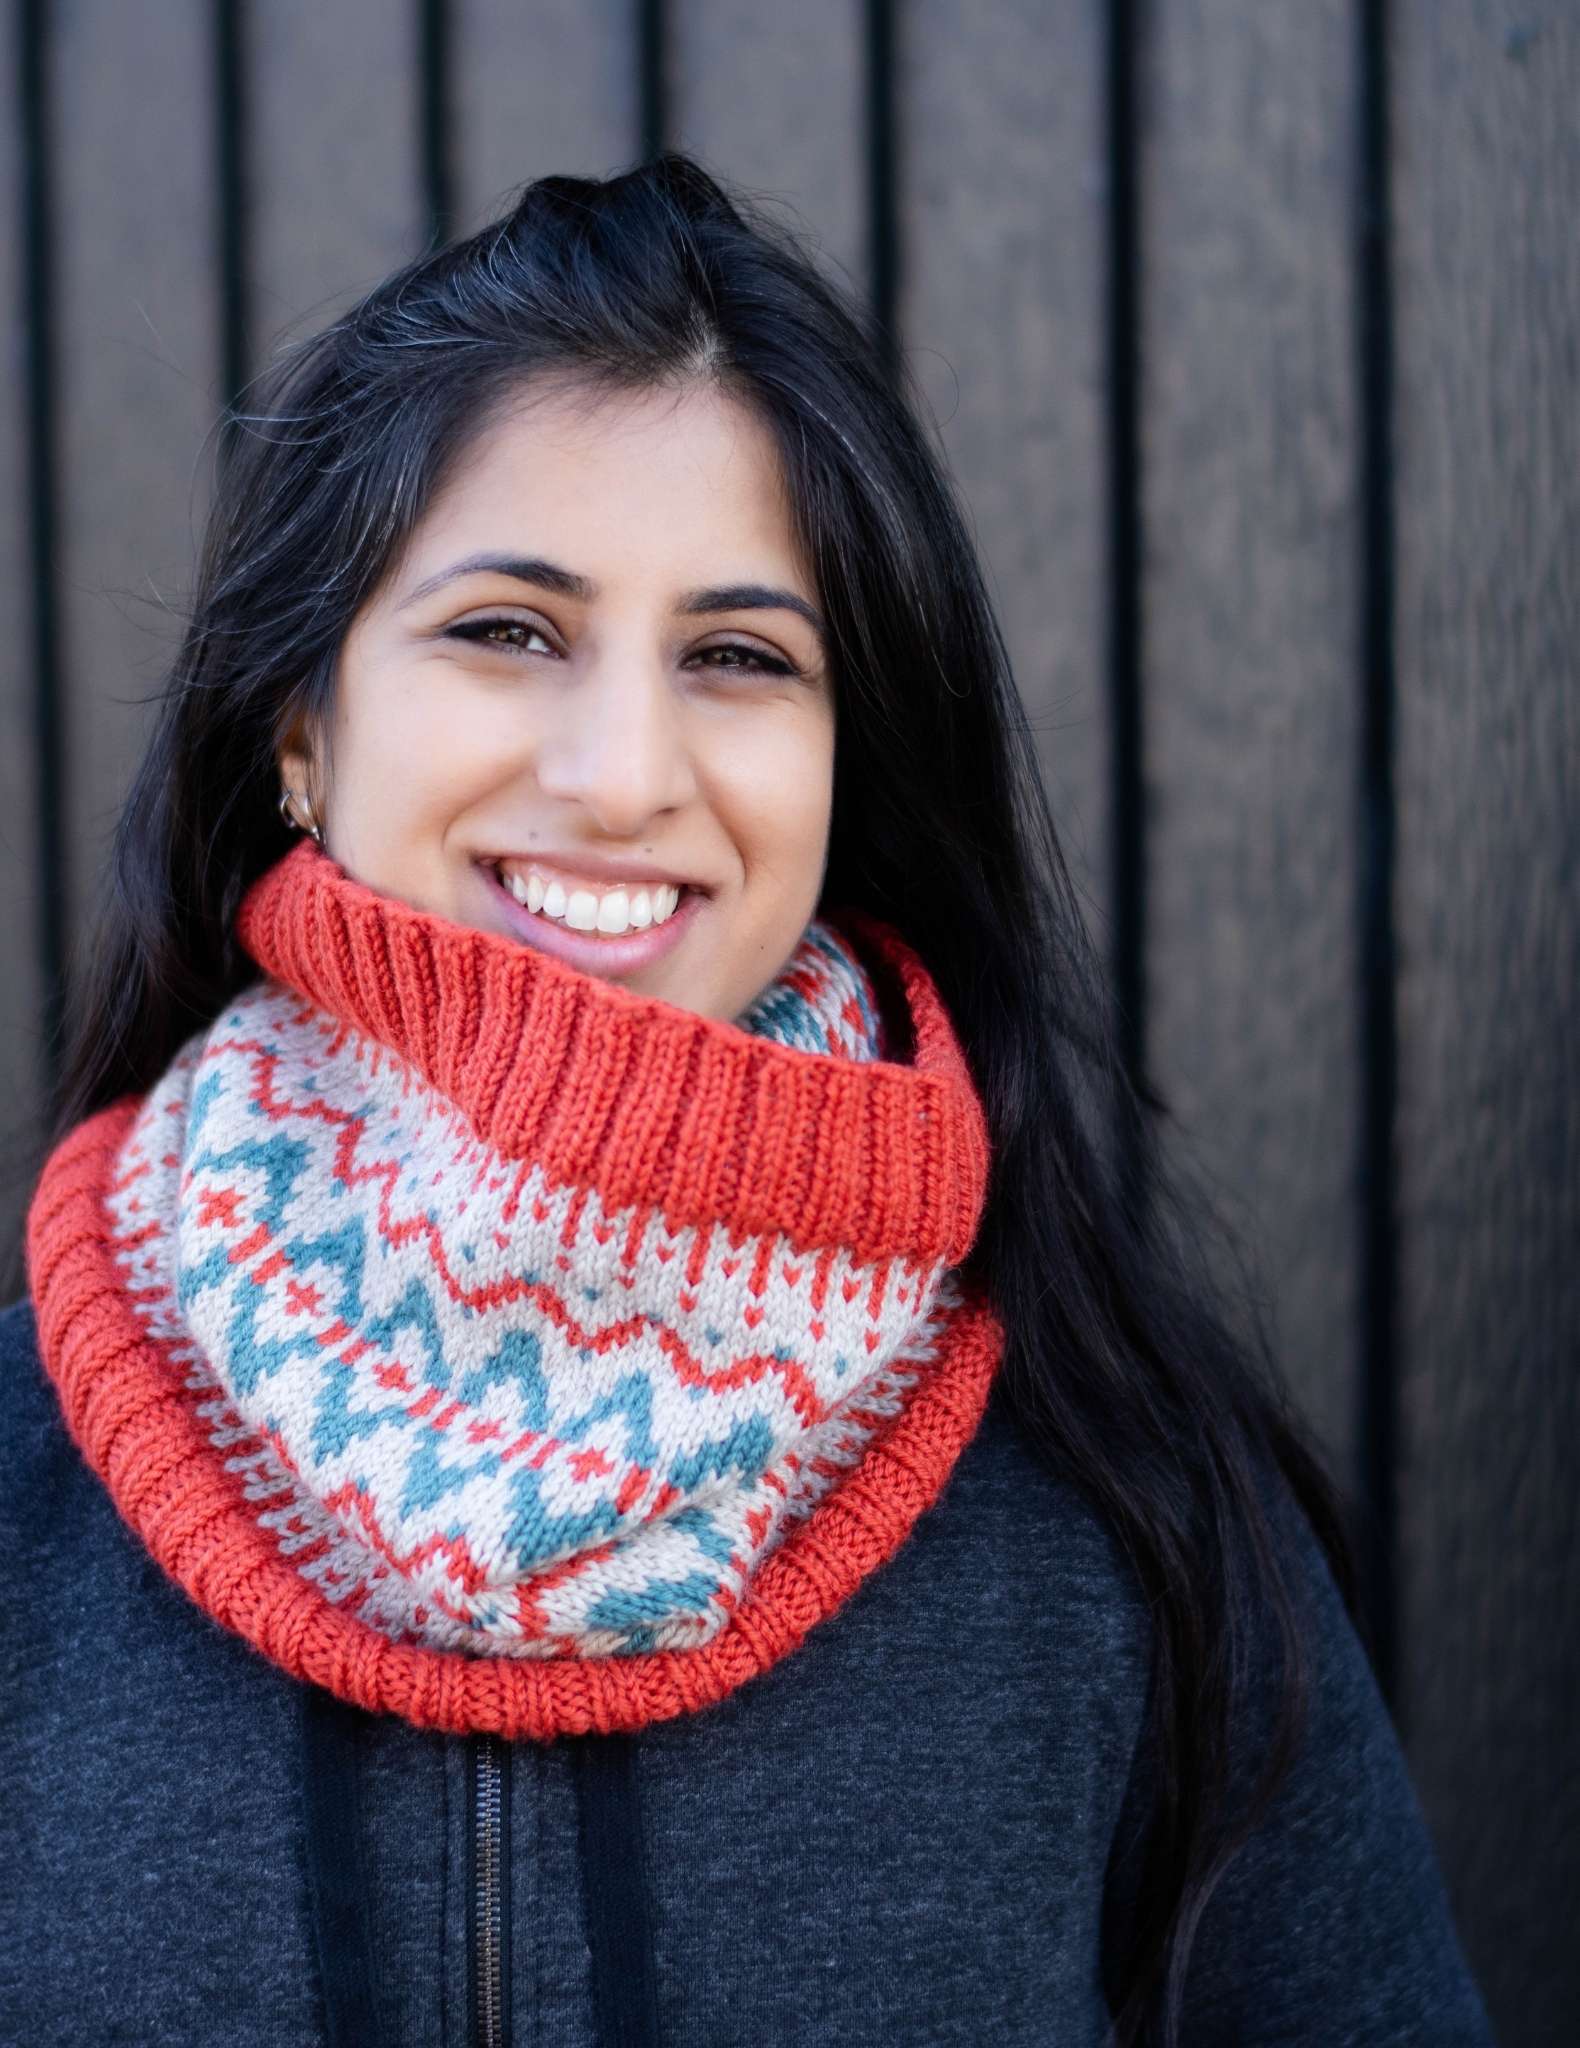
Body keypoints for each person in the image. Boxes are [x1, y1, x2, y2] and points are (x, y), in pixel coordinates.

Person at [1, 153, 1493, 2048]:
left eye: (738, 658)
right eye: (507, 630)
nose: (624, 774)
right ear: (302, 724)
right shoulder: (15, 1496)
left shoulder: (1135, 1524)